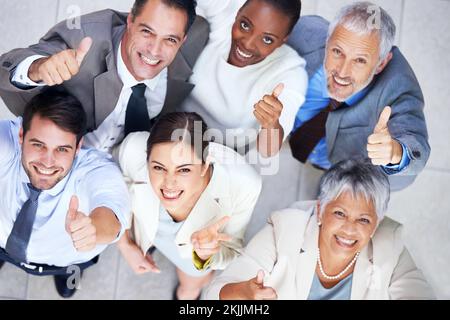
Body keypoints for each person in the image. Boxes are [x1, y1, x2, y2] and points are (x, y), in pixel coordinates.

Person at [204, 158, 435, 300]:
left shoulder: (390, 248)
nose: (349, 229)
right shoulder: (284, 230)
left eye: (363, 220)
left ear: (376, 224)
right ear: (320, 210)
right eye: (339, 213)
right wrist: (242, 293)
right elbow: (214, 295)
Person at [0, 0, 208, 153]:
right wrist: (38, 67)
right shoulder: (82, 41)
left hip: (129, 165)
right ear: (130, 20)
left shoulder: (196, 36)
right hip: (64, 160)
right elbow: (5, 67)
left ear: (183, 41)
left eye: (170, 39)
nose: (154, 50)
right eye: (146, 31)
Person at [114, 112, 262, 300]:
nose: (169, 184)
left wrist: (203, 255)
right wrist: (124, 243)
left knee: (193, 280)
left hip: (192, 252)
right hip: (145, 224)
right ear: (147, 157)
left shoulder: (244, 184)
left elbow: (232, 251)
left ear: (205, 166)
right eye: (158, 167)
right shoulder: (133, 148)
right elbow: (113, 185)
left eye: (184, 170)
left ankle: (190, 291)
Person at [287, 2, 429, 195]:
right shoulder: (305, 33)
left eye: (360, 60)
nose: (342, 72)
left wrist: (395, 152)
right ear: (327, 42)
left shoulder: (398, 89)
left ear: (380, 64)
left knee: (338, 196)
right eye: (337, 52)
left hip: (344, 166)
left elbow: (416, 146)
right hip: (290, 131)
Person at [0, 88, 130, 298]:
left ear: (78, 147)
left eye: (62, 149)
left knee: (69, 283)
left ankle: (66, 280)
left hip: (67, 260)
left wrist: (94, 229)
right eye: (38, 144)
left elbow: (113, 211)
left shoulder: (95, 169)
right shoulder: (8, 141)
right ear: (21, 135)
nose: (47, 162)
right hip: (2, 241)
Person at [179, 0, 308, 157]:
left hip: (222, 152)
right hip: (174, 125)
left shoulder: (290, 73)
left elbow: (268, 151)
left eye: (267, 39)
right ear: (238, 13)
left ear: (283, 40)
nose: (247, 44)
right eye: (245, 25)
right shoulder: (226, 17)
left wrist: (271, 124)